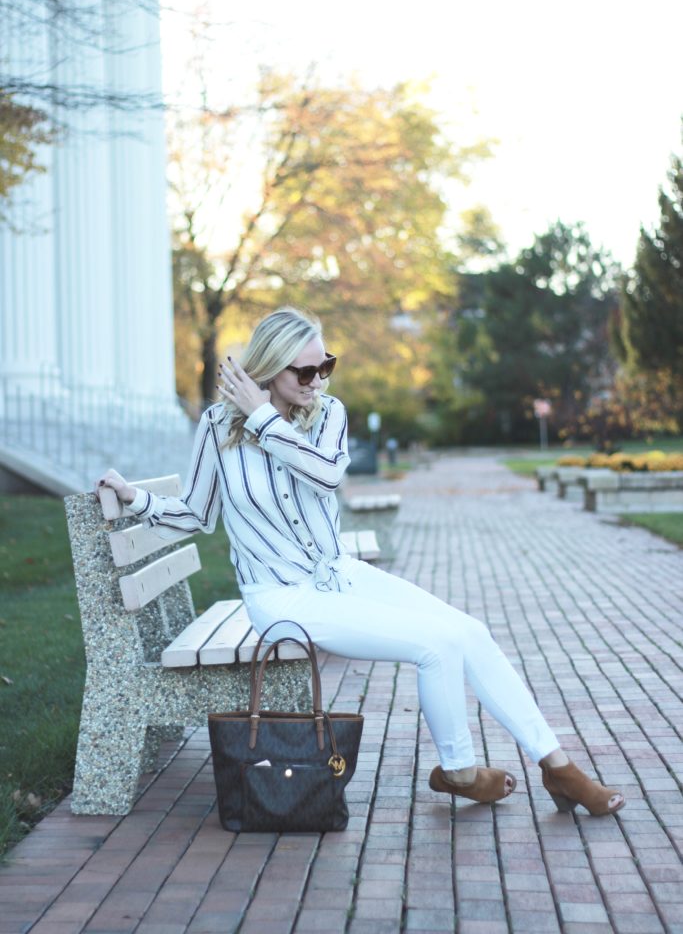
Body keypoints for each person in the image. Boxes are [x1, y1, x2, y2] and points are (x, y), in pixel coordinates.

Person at [97, 306, 624, 815]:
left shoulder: (328, 414)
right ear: (268, 368)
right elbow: (197, 511)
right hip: (281, 599)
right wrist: (135, 498)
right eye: (303, 370)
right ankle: (459, 773)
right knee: (436, 647)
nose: (316, 380)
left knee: (470, 632)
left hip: (338, 574)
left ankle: (557, 765)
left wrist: (262, 417)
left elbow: (326, 474)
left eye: (324, 365)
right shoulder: (218, 426)